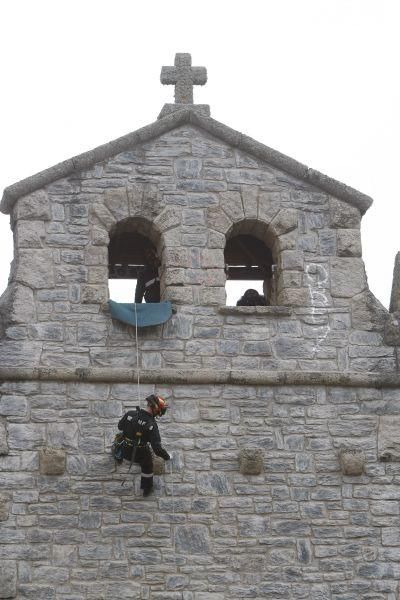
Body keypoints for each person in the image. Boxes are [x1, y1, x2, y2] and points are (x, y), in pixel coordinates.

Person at [114, 394, 170, 497]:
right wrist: (167, 456)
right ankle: (146, 488)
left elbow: (120, 426)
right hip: (139, 455)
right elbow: (157, 449)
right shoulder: (152, 425)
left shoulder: (130, 414)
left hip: (125, 451)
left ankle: (118, 457)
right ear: (156, 409)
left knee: (119, 439)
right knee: (148, 464)